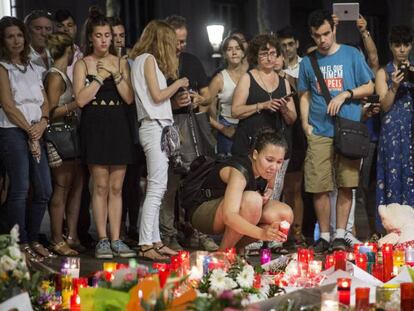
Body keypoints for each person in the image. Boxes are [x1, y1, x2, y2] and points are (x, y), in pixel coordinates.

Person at [297, 10, 374, 253]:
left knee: (346, 184)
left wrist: (346, 94)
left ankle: (341, 234)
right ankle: (325, 236)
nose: (322, 40)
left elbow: (370, 85)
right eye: (317, 36)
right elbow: (304, 94)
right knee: (319, 185)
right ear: (311, 35)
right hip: (319, 130)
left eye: (326, 34)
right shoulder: (308, 61)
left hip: (348, 129)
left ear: (334, 29)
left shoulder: (351, 54)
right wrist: (305, 124)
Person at [73, 7, 136, 259]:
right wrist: (99, 77)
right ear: (90, 37)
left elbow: (129, 98)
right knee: (99, 185)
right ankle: (101, 239)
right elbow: (80, 100)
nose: (103, 40)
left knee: (117, 187)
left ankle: (117, 238)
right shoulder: (82, 64)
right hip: (95, 126)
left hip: (119, 125)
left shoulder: (121, 61)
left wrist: (117, 73)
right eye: (98, 35)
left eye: (107, 35)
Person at [130, 20, 189, 261]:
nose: (175, 47)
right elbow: (156, 95)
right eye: (171, 41)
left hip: (157, 126)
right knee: (155, 188)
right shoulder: (148, 60)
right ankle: (146, 242)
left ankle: (154, 239)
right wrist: (179, 83)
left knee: (159, 186)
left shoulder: (142, 61)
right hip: (154, 127)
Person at [162, 15, 218, 252]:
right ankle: (167, 234)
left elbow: (207, 96)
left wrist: (198, 99)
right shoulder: (157, 64)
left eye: (184, 41)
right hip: (169, 127)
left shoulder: (192, 61)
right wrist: (174, 103)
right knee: (169, 184)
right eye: (177, 41)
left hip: (193, 126)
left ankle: (198, 231)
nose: (181, 46)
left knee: (196, 182)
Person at [0, 16, 53, 261]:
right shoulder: (3, 68)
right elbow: (8, 106)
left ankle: (33, 238)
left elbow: (46, 102)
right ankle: (18, 244)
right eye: (10, 36)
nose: (16, 40)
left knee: (44, 189)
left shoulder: (34, 67)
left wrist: (42, 124)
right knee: (20, 188)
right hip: (12, 131)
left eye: (19, 35)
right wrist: (30, 133)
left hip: (36, 130)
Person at [190, 128, 293, 250]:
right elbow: (229, 215)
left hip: (235, 209)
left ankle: (237, 249)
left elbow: (270, 184)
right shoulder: (239, 172)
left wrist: (268, 191)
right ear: (255, 155)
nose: (274, 167)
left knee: (284, 214)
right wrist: (262, 234)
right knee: (253, 200)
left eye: (279, 162)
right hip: (204, 212)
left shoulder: (268, 168)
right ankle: (223, 253)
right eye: (269, 160)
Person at [44, 32, 83, 256]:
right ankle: (57, 239)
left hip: (69, 134)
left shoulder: (59, 75)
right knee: (61, 189)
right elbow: (50, 110)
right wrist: (74, 105)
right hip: (58, 136)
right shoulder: (55, 77)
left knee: (74, 186)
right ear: (68, 51)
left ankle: (70, 236)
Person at [231, 33, 297, 157]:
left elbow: (292, 119)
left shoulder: (284, 82)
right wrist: (262, 105)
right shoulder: (247, 78)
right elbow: (235, 111)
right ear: (256, 56)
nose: (269, 58)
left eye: (272, 53)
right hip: (250, 145)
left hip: (275, 148)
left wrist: (284, 109)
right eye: (264, 54)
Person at [375, 25, 414, 210]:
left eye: (406, 45)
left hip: (411, 131)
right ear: (391, 46)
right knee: (392, 177)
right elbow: (385, 105)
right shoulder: (384, 72)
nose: (402, 49)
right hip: (391, 132)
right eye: (398, 45)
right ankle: (391, 228)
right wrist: (395, 86)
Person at [208, 35, 246, 158]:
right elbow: (201, 111)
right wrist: (222, 129)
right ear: (224, 54)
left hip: (247, 127)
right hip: (227, 129)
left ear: (243, 52)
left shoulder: (251, 75)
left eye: (237, 48)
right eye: (229, 49)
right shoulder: (219, 79)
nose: (234, 52)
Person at [53, 9, 83, 81]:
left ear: (75, 28)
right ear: (54, 29)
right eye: (61, 26)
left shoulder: (82, 55)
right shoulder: (49, 55)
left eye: (69, 25)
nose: (66, 29)